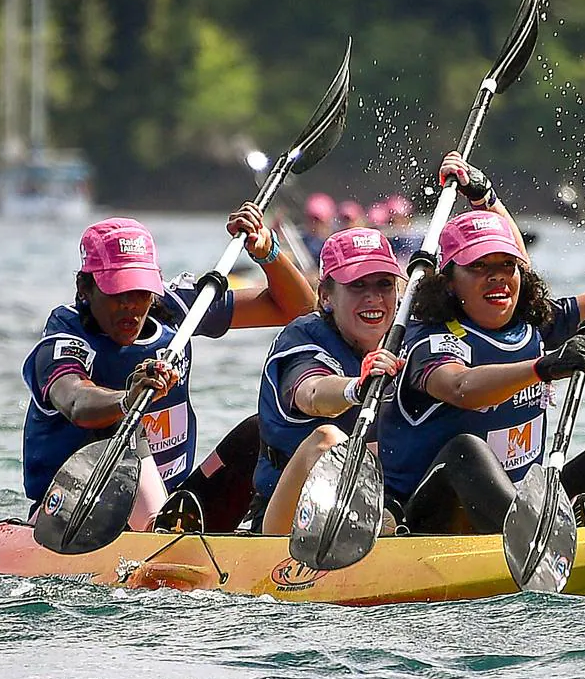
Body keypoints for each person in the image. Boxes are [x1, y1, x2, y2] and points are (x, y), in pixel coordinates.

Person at [378, 157, 585, 534]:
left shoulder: (535, 325)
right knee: (467, 451)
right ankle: (541, 539)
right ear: (449, 281)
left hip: (516, 510)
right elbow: (461, 388)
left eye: (506, 266)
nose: (497, 277)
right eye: (479, 267)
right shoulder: (430, 339)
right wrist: (544, 368)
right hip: (429, 521)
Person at [22, 204, 316, 532]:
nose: (131, 305)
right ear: (85, 289)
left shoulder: (178, 310)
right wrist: (127, 399)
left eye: (140, 291)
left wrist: (267, 252)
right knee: (126, 422)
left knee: (261, 430)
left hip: (177, 510)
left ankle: (266, 532)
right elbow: (76, 401)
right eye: (117, 292)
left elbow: (300, 310)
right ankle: (157, 534)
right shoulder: (67, 336)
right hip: (78, 514)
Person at [253, 227, 405, 533]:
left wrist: (487, 202)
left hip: (385, 507)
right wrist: (356, 388)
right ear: (326, 297)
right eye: (357, 286)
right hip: (291, 522)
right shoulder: (304, 337)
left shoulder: (409, 334)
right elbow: (311, 394)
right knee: (328, 440)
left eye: (385, 285)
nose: (374, 298)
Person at [301, 193, 336, 260]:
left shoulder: (334, 246)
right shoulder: (301, 240)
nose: (313, 224)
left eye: (317, 220)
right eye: (310, 219)